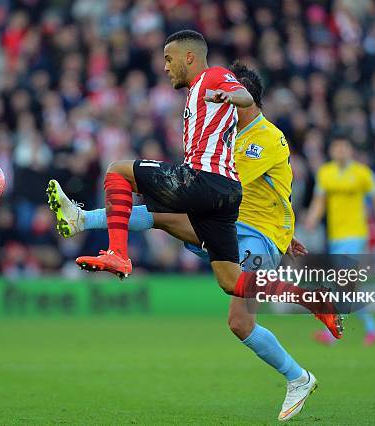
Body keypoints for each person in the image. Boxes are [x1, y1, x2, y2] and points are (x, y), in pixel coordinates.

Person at [47, 59, 340, 420]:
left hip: (260, 237)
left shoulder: (267, 137)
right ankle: (81, 219)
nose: (217, 110)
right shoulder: (231, 136)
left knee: (238, 321)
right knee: (167, 220)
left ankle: (302, 351)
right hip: (233, 227)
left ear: (244, 99)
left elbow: (226, 186)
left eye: (222, 103)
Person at [304, 132, 375, 346]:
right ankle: (371, 328)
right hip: (335, 236)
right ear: (332, 150)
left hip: (356, 235)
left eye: (344, 147)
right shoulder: (325, 173)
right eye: (337, 147)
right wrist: (311, 220)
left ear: (350, 150)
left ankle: (332, 334)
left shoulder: (362, 173)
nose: (340, 150)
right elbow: (319, 201)